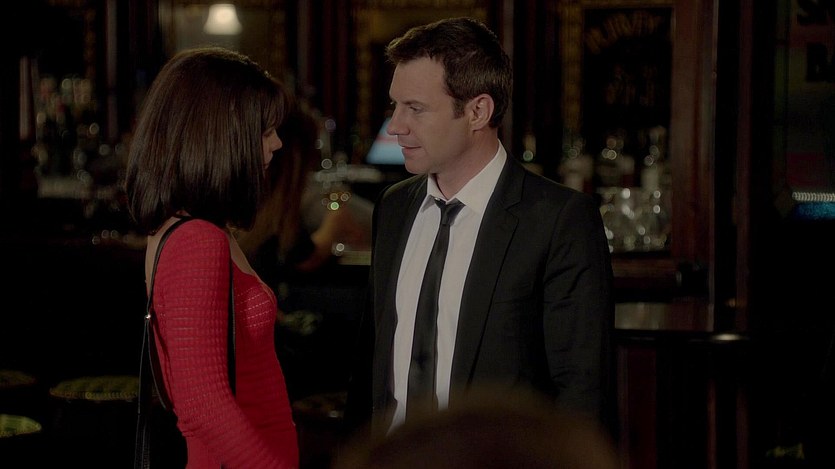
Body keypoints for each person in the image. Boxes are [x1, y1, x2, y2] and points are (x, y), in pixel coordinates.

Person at [343, 17, 615, 441]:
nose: (395, 126)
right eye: (395, 105)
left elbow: (582, 394)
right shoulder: (394, 207)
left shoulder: (559, 220)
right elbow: (369, 368)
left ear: (477, 111)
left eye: (415, 108)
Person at [124, 46, 299, 468]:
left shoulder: (199, 230)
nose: (276, 142)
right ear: (221, 136)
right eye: (264, 130)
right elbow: (202, 406)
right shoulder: (197, 240)